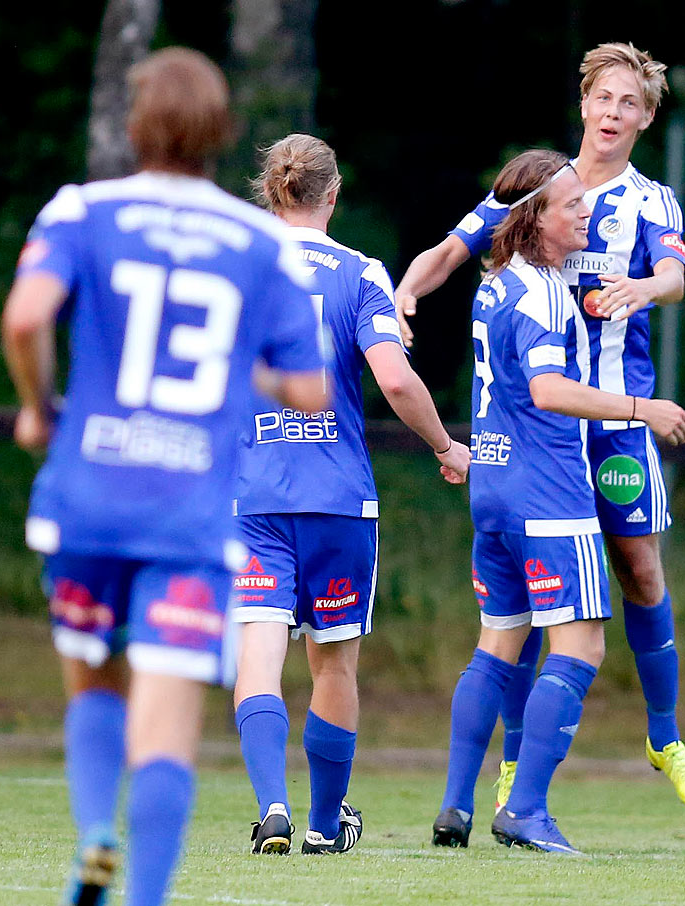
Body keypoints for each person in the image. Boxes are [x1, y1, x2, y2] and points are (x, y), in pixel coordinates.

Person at [1, 48, 328, 906]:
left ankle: (96, 833)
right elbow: (309, 386)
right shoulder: (258, 239)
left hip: (90, 495)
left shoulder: (84, 210)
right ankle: (142, 894)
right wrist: (236, 370)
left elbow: (27, 315)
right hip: (189, 508)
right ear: (222, 136)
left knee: (94, 676)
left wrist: (38, 405)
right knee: (169, 722)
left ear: (135, 125)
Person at [397, 41, 685, 816]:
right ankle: (515, 771)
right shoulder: (542, 185)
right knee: (539, 601)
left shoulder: (652, 201)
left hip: (613, 419)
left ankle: (664, 736)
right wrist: (406, 293)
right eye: (603, 98)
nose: (613, 113)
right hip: (540, 430)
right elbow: (451, 250)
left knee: (640, 569)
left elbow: (674, 276)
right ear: (584, 103)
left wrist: (643, 288)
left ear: (646, 117)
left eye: (629, 104)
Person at [429, 149, 685, 854]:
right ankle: (525, 810)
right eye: (573, 205)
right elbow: (549, 392)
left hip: (490, 483)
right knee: (579, 646)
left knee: (496, 646)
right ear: (534, 220)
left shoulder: (495, 283)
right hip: (547, 489)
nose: (588, 213)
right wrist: (643, 408)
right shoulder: (547, 292)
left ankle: (455, 808)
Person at [232, 134, 471, 857]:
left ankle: (271, 805)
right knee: (333, 664)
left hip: (255, 497)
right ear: (332, 195)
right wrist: (444, 446)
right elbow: (394, 380)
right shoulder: (360, 272)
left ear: (271, 192)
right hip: (336, 498)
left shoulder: (237, 270)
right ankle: (324, 824)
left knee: (257, 660)